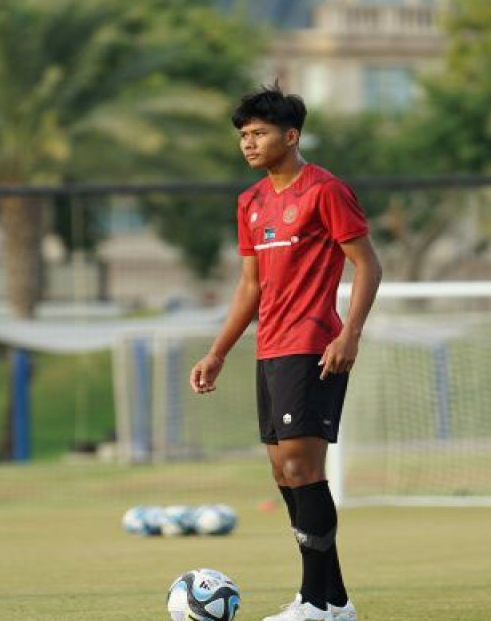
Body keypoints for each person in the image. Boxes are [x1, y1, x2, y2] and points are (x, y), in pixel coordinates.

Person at [189, 85, 382, 621]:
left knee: (302, 465)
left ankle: (317, 603)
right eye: (244, 135)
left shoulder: (325, 191)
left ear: (290, 136)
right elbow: (249, 288)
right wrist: (219, 352)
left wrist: (351, 334)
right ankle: (333, 599)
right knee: (283, 471)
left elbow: (368, 264)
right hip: (270, 350)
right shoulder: (249, 203)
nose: (249, 143)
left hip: (314, 344)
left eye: (260, 133)